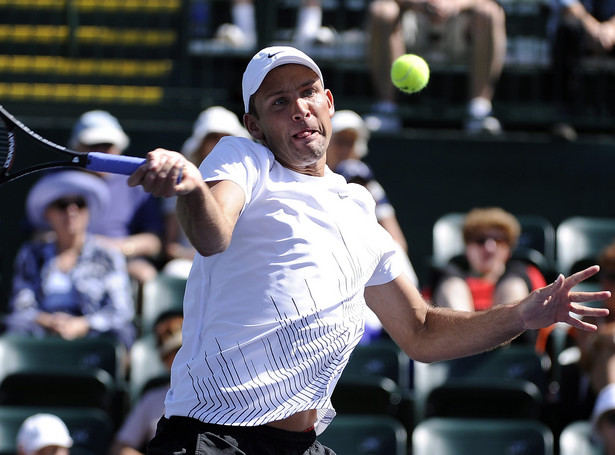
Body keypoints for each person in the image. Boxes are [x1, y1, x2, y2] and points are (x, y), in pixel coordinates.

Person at [125, 46, 608, 454]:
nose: (299, 107)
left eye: (308, 92)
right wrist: (192, 188)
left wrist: (521, 314)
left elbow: (420, 333)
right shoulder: (244, 158)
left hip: (303, 443)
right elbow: (212, 236)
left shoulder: (358, 208)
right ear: (254, 124)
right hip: (212, 438)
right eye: (279, 101)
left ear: (328, 102)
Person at [4, 170, 136, 349]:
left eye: (79, 204)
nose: (71, 211)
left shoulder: (108, 255)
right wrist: (50, 322)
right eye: (62, 205)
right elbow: (21, 305)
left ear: (88, 212)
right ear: (48, 214)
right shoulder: (32, 253)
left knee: (122, 333)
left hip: (91, 330)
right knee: (14, 328)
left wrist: (82, 324)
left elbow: (121, 310)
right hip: (42, 329)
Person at [364, 0, 507, 133]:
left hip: (460, 21)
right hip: (412, 18)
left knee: (489, 12)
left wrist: (454, 5)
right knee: (383, 10)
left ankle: (479, 110)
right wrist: (418, 3)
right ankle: (386, 109)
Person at [68, 110, 164, 287]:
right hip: (68, 259)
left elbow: (154, 242)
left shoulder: (138, 185)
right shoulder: (57, 183)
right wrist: (81, 247)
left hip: (122, 263)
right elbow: (38, 234)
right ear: (77, 147)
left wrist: (116, 249)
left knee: (145, 273)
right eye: (93, 145)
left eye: (107, 146)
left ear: (119, 148)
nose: (101, 153)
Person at [162, 106, 249, 278]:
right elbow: (170, 248)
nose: (220, 144)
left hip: (239, 268)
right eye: (213, 137)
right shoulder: (178, 183)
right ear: (200, 143)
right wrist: (201, 256)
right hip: (188, 267)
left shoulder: (252, 180)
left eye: (226, 138)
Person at [429, 207, 547, 313]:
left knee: (514, 286)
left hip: (516, 336)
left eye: (499, 241)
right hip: (459, 335)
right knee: (451, 287)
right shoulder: (447, 277)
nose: (490, 248)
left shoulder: (526, 273)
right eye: (480, 240)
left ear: (508, 250)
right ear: (467, 248)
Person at [109, 311, 183, 455]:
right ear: (165, 360)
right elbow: (120, 448)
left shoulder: (222, 393)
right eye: (174, 353)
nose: (181, 359)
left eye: (183, 351)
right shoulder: (152, 400)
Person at [548, 0, 615, 140]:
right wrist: (594, 30)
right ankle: (565, 119)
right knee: (568, 28)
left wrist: (611, 29)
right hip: (580, 30)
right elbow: (569, 6)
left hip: (610, 33)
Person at [576, 241, 615, 397]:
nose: (606, 283)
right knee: (607, 351)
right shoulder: (591, 316)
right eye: (605, 276)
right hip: (595, 395)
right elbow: (584, 362)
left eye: (613, 277)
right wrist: (601, 340)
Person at [213, 0, 334, 49]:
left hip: (301, 42)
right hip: (249, 45)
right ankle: (245, 35)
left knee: (307, 39)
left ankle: (308, 35)